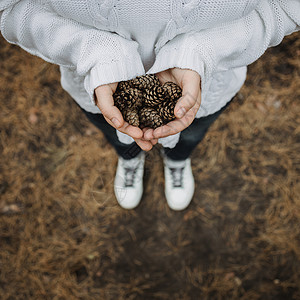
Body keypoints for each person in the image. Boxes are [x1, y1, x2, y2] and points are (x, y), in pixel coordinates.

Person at [0, 0, 299, 210]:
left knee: (191, 134)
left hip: (209, 87)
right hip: (98, 87)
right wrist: (92, 51)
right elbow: (10, 8)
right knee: (116, 132)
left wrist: (204, 51)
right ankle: (130, 159)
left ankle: (178, 160)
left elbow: (286, 6)